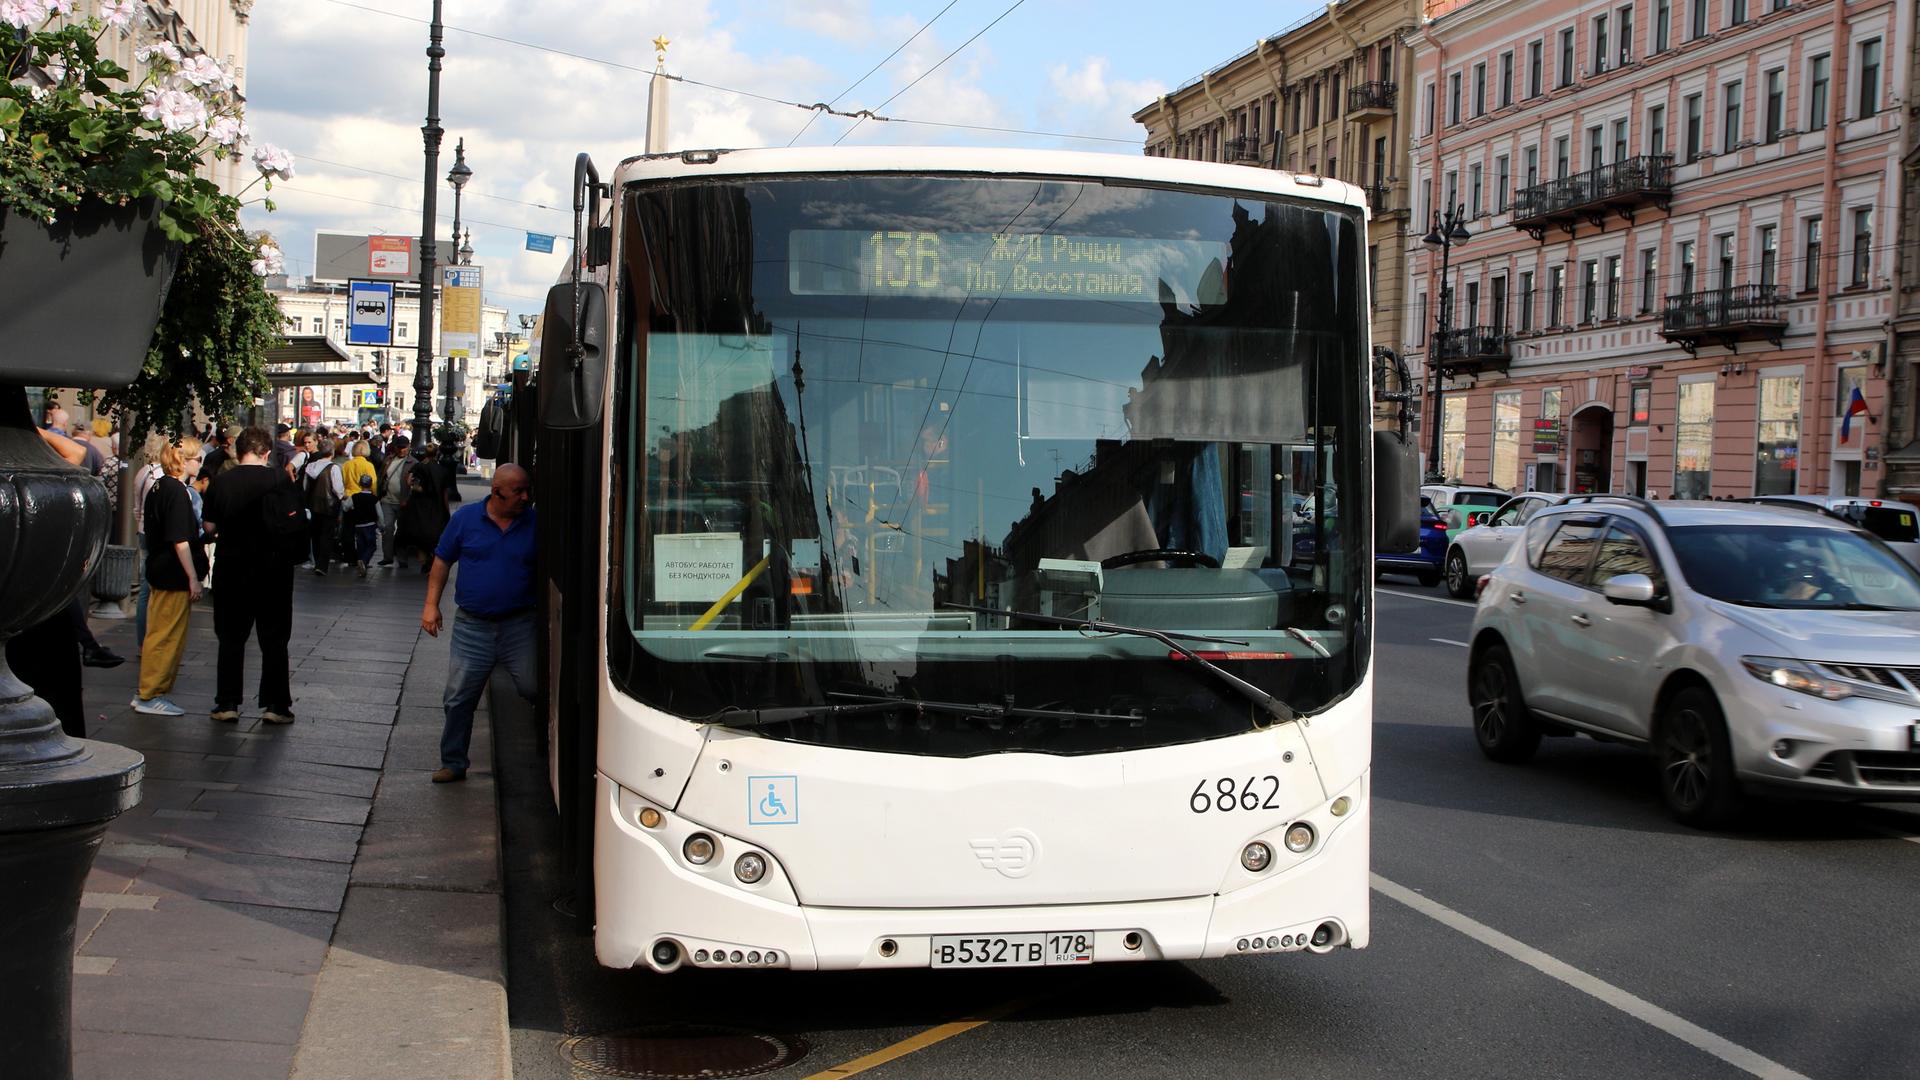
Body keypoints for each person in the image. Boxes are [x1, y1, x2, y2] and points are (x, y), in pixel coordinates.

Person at [421, 463, 536, 782]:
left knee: (533, 685)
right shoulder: (466, 520)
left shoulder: (534, 522)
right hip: (473, 626)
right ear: (497, 492)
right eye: (518, 491)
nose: (525, 497)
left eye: (528, 489)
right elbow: (442, 561)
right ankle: (454, 762)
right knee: (458, 697)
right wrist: (431, 606)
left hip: (519, 624)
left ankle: (544, 744)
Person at [202, 427, 298, 725]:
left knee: (230, 637)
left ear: (237, 450)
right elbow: (294, 520)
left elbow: (208, 527)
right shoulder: (280, 479)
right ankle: (275, 704)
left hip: (232, 567)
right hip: (273, 569)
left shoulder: (222, 481)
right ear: (267, 452)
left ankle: (227, 702)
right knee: (274, 639)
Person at [134, 438, 204, 716]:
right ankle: (150, 693)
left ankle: (151, 691)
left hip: (161, 568)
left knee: (160, 632)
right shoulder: (175, 491)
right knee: (166, 635)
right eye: (197, 458)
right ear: (183, 461)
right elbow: (180, 539)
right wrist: (193, 578)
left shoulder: (160, 486)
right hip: (171, 572)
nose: (200, 462)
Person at [395, 444, 449, 572]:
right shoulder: (442, 470)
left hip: (419, 505)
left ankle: (423, 560)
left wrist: (415, 488)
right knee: (435, 533)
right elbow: (445, 492)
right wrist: (446, 509)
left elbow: (408, 481)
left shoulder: (419, 467)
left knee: (419, 533)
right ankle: (432, 557)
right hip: (436, 506)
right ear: (437, 454)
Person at [303, 437, 343, 575]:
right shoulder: (334, 468)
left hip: (313, 505)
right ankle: (322, 564)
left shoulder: (310, 467)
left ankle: (316, 561)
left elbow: (305, 487)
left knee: (315, 535)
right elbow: (338, 490)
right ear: (332, 452)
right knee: (327, 535)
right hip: (329, 506)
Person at [342, 440, 381, 577]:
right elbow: (374, 483)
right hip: (364, 500)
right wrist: (374, 497)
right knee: (364, 533)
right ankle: (363, 558)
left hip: (349, 498)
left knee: (349, 530)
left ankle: (351, 557)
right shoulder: (368, 465)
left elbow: (343, 481)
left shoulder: (346, 465)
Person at [378, 434, 410, 567]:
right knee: (387, 528)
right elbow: (382, 476)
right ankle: (388, 556)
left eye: (404, 448)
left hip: (403, 502)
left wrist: (408, 499)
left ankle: (402, 558)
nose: (402, 450)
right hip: (387, 500)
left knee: (403, 531)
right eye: (399, 447)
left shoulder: (412, 462)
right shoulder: (389, 460)